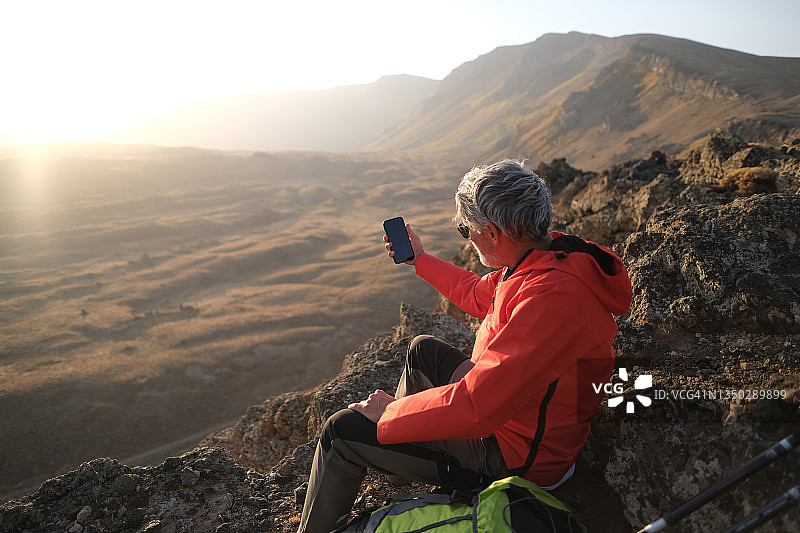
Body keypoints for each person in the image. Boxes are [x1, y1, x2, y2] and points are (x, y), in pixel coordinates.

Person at [297, 159, 632, 533]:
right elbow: (478, 294)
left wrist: (390, 414)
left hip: (517, 456)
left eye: (465, 229)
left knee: (341, 433)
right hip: (517, 413)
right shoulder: (546, 258)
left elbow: (477, 407)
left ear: (492, 233)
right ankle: (396, 463)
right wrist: (420, 260)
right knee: (423, 350)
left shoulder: (550, 300)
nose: (467, 237)